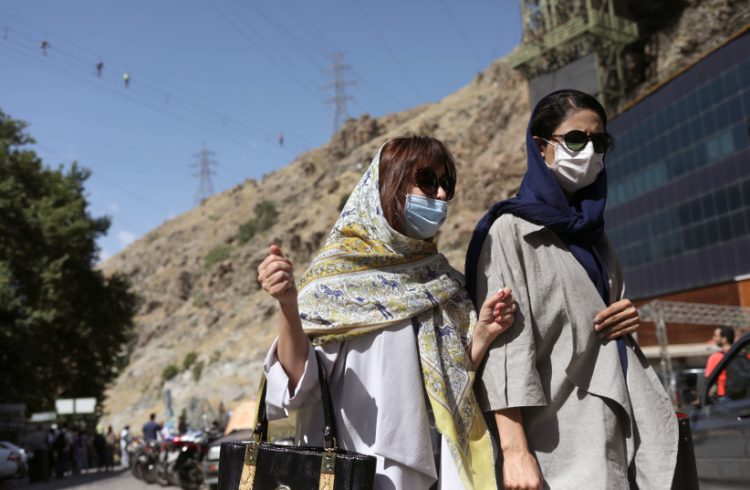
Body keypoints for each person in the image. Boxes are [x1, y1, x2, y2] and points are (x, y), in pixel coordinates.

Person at [257, 136, 517, 489]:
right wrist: (289, 306)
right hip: (351, 473)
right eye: (427, 181)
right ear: (388, 185)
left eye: (446, 184)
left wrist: (482, 334)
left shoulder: (443, 282)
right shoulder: (334, 280)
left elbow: (448, 382)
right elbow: (298, 385)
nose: (441, 195)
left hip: (434, 471)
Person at [464, 89, 679, 489]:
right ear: (540, 147)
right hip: (556, 451)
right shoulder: (511, 232)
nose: (589, 152)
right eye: (576, 139)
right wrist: (516, 452)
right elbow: (506, 352)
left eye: (600, 142)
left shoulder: (595, 237)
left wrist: (625, 318)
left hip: (616, 437)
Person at [705, 326, 735, 397]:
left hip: (724, 395)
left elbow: (708, 379)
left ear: (724, 339)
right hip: (745, 395)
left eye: (715, 336)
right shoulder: (743, 354)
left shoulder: (715, 357)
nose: (713, 338)